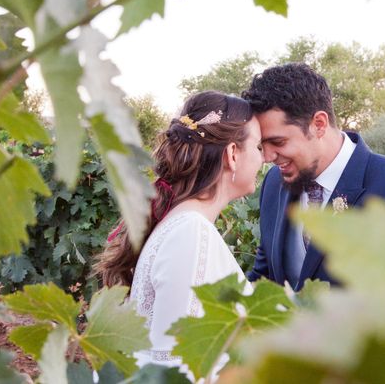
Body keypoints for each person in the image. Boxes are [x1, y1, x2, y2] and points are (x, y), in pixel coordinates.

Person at [93, 91, 263, 374]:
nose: (264, 157)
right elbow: (176, 365)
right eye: (258, 147)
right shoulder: (190, 233)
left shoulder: (185, 224)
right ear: (232, 154)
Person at [241, 63, 385, 291]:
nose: (267, 156)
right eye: (262, 145)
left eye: (278, 142)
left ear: (319, 124)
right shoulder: (274, 183)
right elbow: (264, 279)